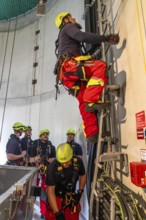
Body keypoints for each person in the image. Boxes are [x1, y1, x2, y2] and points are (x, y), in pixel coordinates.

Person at [54, 12, 119, 143]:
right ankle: (92, 99)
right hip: (71, 66)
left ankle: (92, 134)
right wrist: (104, 38)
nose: (74, 19)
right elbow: (81, 36)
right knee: (100, 66)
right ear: (65, 20)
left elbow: (80, 55)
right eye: (71, 17)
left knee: (83, 101)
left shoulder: (64, 39)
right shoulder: (67, 27)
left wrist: (94, 49)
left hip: (66, 75)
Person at [46, 143, 86, 220]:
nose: (65, 164)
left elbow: (83, 175)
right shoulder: (52, 167)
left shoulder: (78, 162)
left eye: (67, 161)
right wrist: (57, 213)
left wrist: (80, 192)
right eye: (62, 162)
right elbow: (50, 191)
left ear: (71, 156)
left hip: (71, 198)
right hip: (56, 198)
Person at [30, 129, 56, 219]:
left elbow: (54, 159)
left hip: (46, 172)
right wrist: (37, 158)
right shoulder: (34, 145)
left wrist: (48, 160)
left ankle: (44, 212)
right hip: (36, 171)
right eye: (44, 134)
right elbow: (30, 159)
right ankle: (30, 209)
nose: (45, 136)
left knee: (44, 192)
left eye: (47, 134)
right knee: (32, 191)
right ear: (40, 136)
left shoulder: (51, 146)